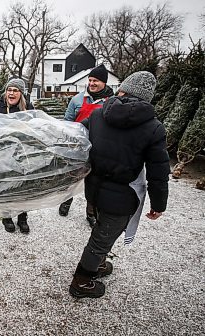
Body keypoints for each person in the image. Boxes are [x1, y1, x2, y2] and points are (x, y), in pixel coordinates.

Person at [68, 71, 169, 298]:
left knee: (103, 228)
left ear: (122, 90)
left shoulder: (97, 115)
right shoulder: (153, 128)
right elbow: (158, 171)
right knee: (102, 238)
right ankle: (81, 282)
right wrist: (159, 203)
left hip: (94, 188)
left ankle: (98, 264)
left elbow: (73, 138)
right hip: (123, 195)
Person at [59, 64, 114, 227]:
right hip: (77, 147)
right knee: (71, 177)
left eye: (95, 80)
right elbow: (67, 123)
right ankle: (66, 201)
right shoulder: (77, 99)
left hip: (99, 148)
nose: (92, 83)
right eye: (90, 80)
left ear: (104, 82)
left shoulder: (111, 101)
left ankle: (91, 212)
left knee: (95, 181)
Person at [0, 78, 34, 234]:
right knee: (6, 187)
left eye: (15, 90)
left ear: (21, 93)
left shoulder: (27, 108)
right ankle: (6, 217)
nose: (11, 93)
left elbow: (34, 130)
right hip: (3, 155)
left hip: (22, 154)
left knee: (23, 187)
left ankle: (22, 218)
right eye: (9, 90)